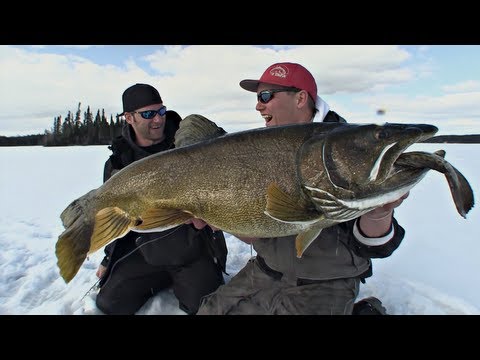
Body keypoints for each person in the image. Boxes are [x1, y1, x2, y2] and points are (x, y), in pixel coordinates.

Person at [188, 62, 408, 315]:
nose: (259, 105)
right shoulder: (261, 148)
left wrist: (378, 213)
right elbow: (257, 232)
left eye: (266, 96)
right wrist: (222, 217)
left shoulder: (347, 151)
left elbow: (374, 246)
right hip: (266, 270)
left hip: (325, 282)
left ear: (301, 98)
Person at [95, 83, 227, 315]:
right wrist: (108, 259)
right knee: (109, 303)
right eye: (148, 114)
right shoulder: (119, 161)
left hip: (192, 250)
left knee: (206, 308)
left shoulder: (188, 143)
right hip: (146, 253)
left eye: (161, 111)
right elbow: (114, 212)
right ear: (129, 117)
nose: (158, 119)